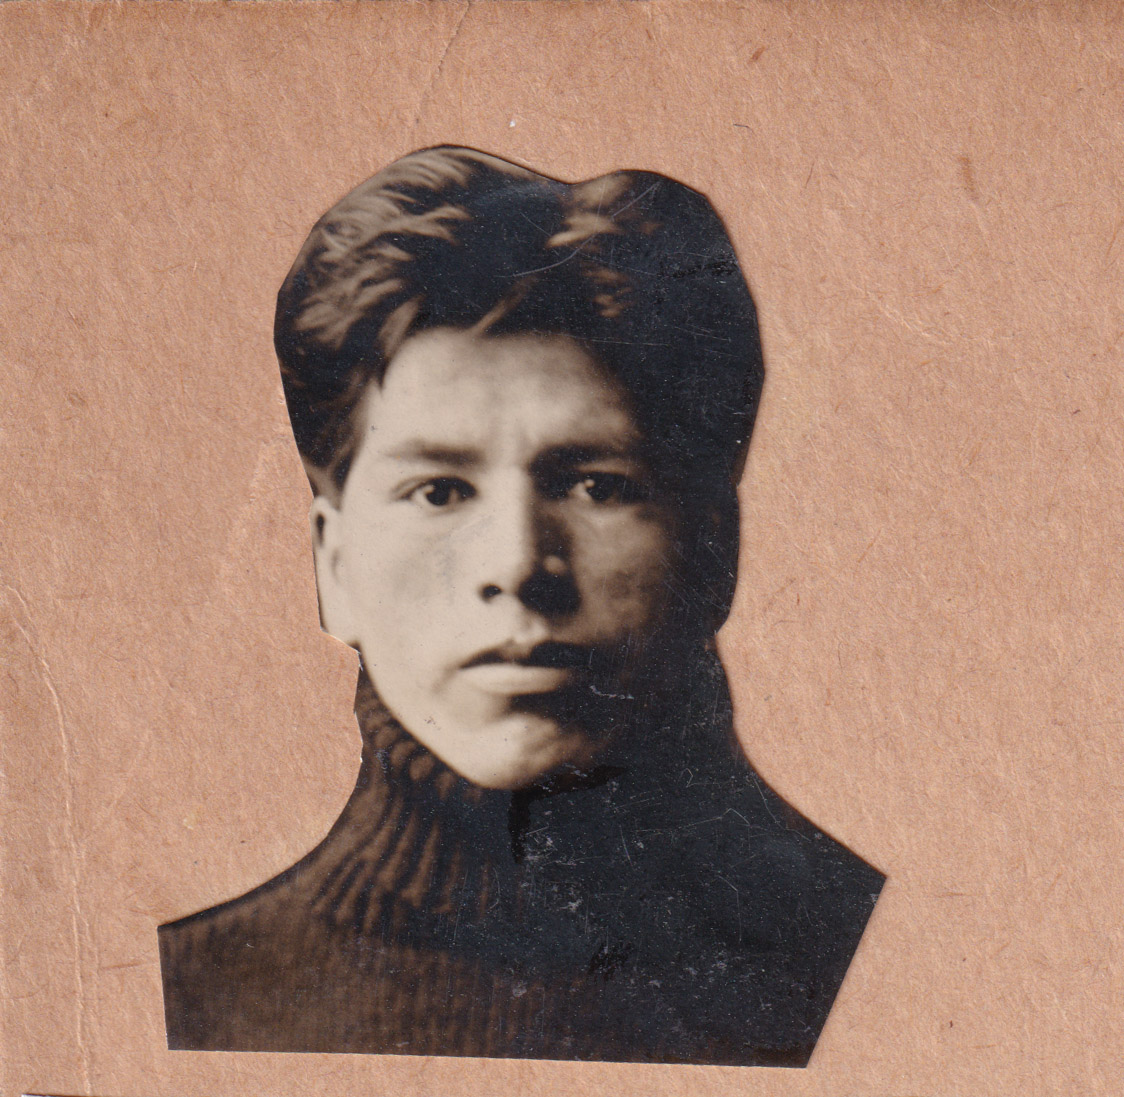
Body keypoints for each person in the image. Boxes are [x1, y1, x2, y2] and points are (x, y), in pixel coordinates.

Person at [158, 146, 883, 1065]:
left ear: (714, 550)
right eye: (438, 491)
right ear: (332, 566)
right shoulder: (198, 997)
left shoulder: (890, 958)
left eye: (595, 484)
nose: (515, 564)